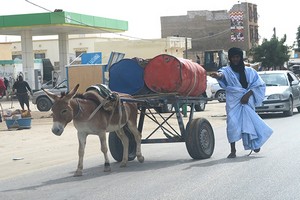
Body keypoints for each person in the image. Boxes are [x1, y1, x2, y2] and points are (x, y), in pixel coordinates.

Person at [210, 47, 273, 158]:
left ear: (240, 58)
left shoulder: (249, 71)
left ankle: (255, 143)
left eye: (237, 57)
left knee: (249, 123)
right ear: (230, 58)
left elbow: (259, 85)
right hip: (233, 102)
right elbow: (222, 75)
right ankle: (233, 150)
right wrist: (217, 76)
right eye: (233, 57)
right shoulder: (227, 71)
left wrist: (247, 95)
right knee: (232, 124)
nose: (235, 59)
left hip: (247, 101)